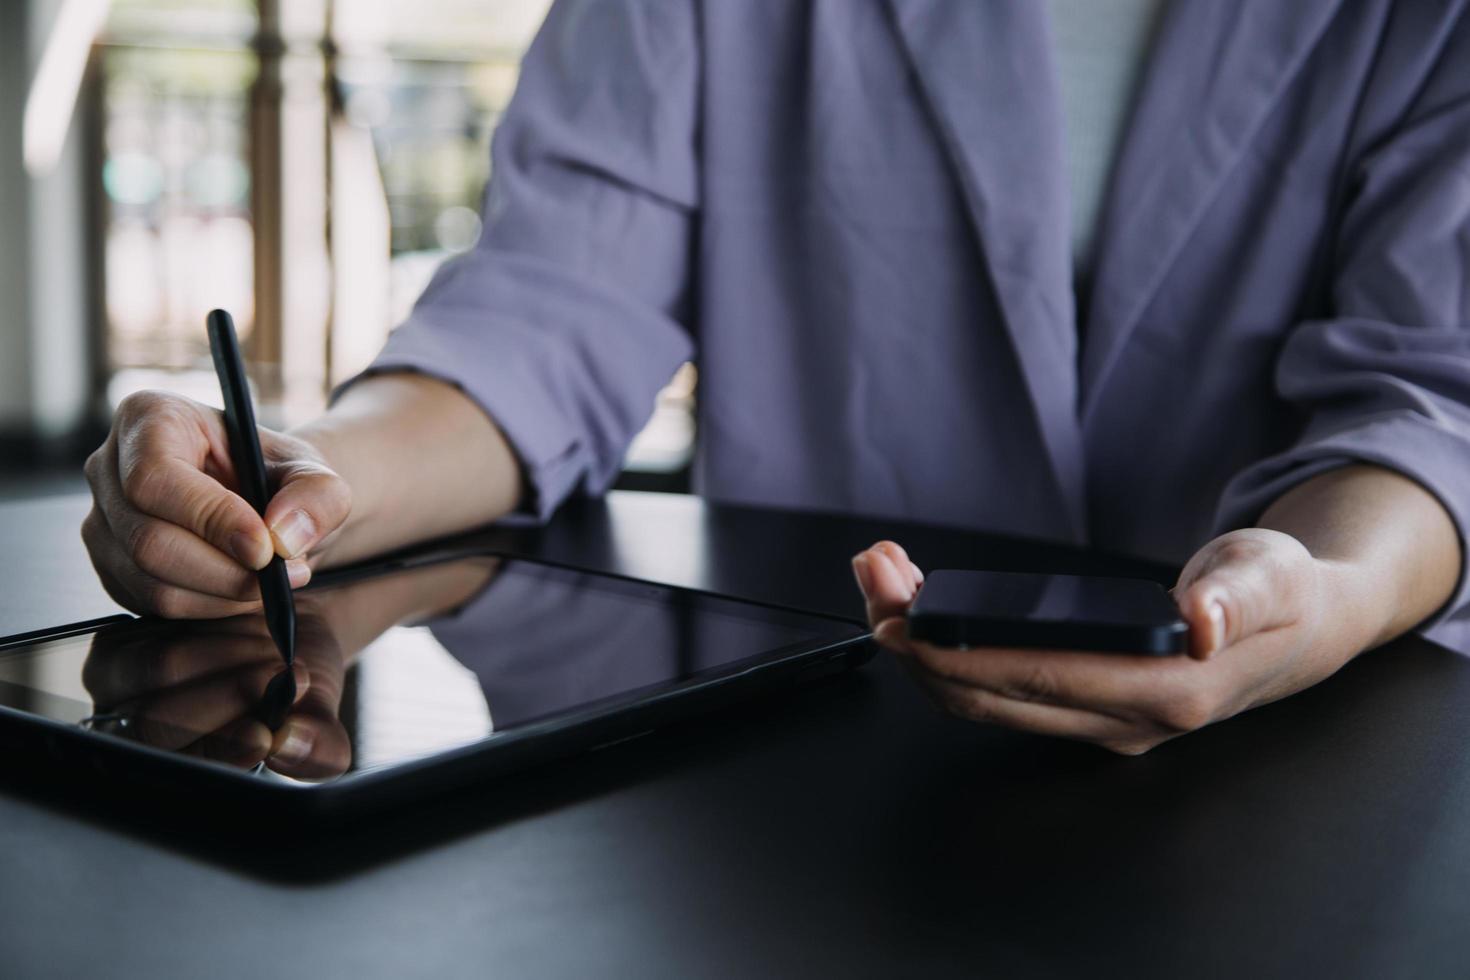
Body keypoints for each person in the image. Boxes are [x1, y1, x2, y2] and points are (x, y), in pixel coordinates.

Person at [82, 1, 1470, 755]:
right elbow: (546, 314)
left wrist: (1328, 588)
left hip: (1318, 757)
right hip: (808, 758)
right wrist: (302, 478)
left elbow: (1429, 397)